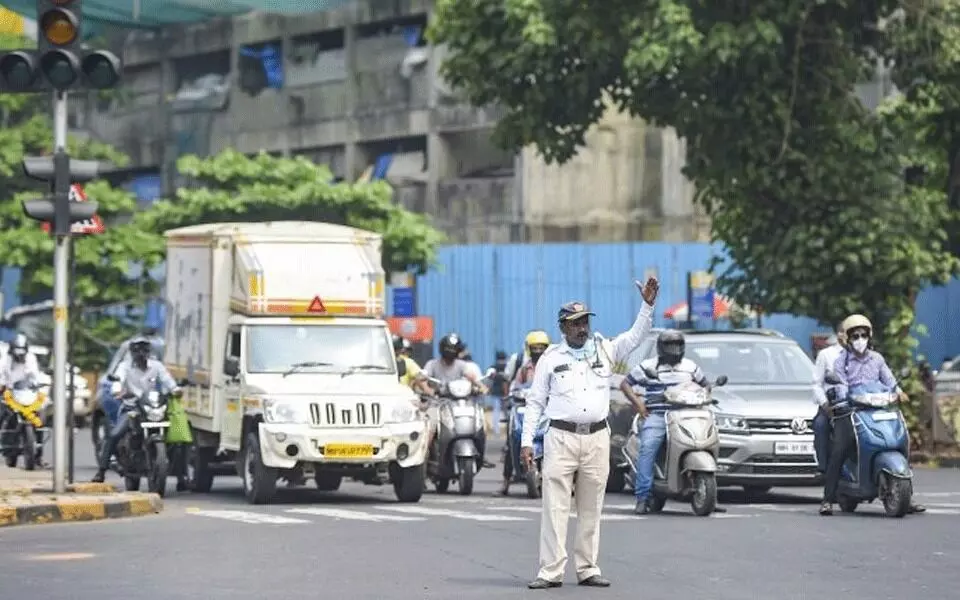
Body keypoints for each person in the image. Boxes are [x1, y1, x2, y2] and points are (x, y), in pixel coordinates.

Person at [521, 278, 658, 590]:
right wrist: (526, 441)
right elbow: (535, 402)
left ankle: (587, 568)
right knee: (555, 507)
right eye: (575, 324)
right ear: (563, 327)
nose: (581, 328)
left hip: (597, 438)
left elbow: (636, 337)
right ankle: (550, 571)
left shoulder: (605, 349)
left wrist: (647, 305)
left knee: (591, 506)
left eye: (584, 322)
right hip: (561, 437)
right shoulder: (551, 358)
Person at [820, 314, 925, 516]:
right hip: (851, 411)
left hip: (878, 410)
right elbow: (839, 383)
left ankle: (907, 496)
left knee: (899, 441)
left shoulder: (877, 359)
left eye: (863, 335)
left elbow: (888, 378)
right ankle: (827, 499)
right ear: (847, 339)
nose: (860, 339)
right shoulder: (842, 362)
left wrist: (899, 391)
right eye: (855, 335)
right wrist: (842, 396)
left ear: (869, 336)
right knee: (840, 450)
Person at [619, 329, 708, 514]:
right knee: (648, 448)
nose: (673, 350)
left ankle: (707, 493)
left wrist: (705, 396)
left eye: (677, 345)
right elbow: (625, 384)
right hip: (659, 416)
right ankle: (642, 497)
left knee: (705, 440)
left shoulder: (691, 367)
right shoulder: (648, 367)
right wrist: (639, 405)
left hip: (686, 414)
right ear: (661, 347)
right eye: (669, 346)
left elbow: (705, 385)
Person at [92, 335, 181, 484]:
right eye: (137, 350)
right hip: (132, 408)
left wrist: (175, 389)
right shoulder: (125, 366)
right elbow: (118, 379)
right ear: (132, 352)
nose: (141, 353)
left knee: (179, 438)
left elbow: (167, 380)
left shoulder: (157, 366)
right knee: (114, 434)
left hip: (152, 409)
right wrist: (117, 389)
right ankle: (101, 471)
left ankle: (181, 477)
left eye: (144, 349)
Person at [418, 333, 488, 459]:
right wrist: (429, 390)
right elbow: (422, 379)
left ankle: (480, 453)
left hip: (458, 402)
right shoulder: (432, 364)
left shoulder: (461, 365)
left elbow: (470, 376)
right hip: (438, 402)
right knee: (431, 427)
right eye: (448, 348)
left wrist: (480, 386)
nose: (450, 352)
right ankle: (424, 457)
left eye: (453, 349)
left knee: (479, 422)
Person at [497, 330, 550, 496]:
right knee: (511, 441)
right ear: (529, 348)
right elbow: (514, 385)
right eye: (535, 348)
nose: (538, 351)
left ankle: (572, 483)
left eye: (542, 347)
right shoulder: (523, 367)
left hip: (548, 409)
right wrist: (511, 395)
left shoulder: (552, 365)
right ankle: (505, 483)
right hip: (524, 407)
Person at [0, 333, 44, 465]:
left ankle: (38, 455)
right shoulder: (6, 360)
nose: (19, 355)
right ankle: (4, 441)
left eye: (22, 352)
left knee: (39, 419)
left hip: (26, 392)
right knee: (2, 413)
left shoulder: (31, 358)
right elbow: (2, 374)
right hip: (11, 392)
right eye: (17, 352)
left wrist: (37, 384)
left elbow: (34, 374)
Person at [812, 326, 845, 477]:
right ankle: (823, 467)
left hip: (856, 403)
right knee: (820, 425)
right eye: (844, 332)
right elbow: (816, 384)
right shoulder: (826, 355)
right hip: (832, 405)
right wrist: (825, 405)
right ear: (839, 334)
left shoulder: (862, 355)